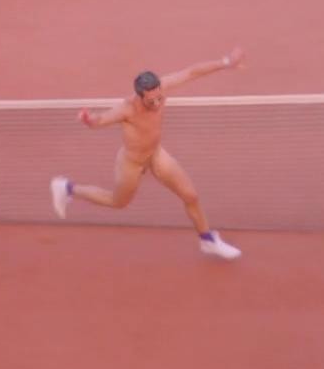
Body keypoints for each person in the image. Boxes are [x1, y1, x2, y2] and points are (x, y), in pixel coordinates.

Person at [50, 48, 245, 260]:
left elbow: (192, 72)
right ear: (139, 96)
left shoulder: (162, 87)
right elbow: (101, 120)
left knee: (191, 196)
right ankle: (67, 188)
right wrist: (89, 120)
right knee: (118, 202)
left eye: (159, 98)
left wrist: (225, 62)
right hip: (132, 163)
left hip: (156, 155)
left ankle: (208, 240)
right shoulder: (127, 108)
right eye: (151, 101)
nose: (157, 103)